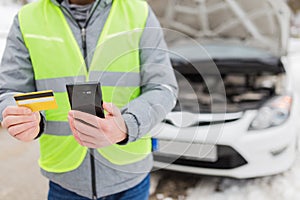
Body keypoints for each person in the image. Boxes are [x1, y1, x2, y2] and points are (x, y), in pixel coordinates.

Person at [0, 0, 178, 199]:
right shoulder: (27, 19)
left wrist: (127, 125)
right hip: (65, 181)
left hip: (130, 180)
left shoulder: (138, 11)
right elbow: (10, 90)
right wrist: (21, 115)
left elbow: (163, 87)